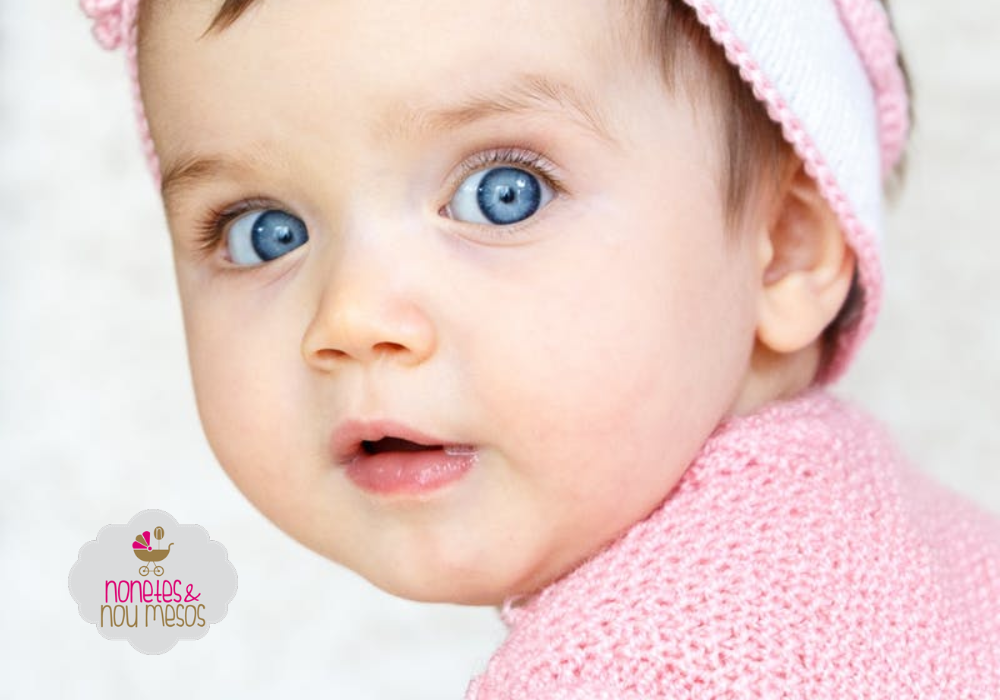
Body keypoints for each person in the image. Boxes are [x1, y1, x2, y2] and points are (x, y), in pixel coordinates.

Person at [80, 0, 1000, 696]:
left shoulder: (647, 669)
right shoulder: (932, 556)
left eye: (502, 194)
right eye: (265, 232)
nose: (351, 317)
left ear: (784, 250)